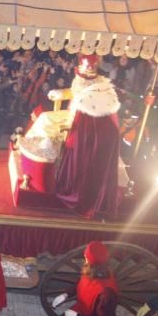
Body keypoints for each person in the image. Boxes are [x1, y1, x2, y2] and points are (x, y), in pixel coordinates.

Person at [53, 54, 121, 218]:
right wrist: (61, 93)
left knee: (81, 158)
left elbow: (87, 104)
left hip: (87, 133)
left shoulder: (99, 90)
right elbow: (75, 93)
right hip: (78, 122)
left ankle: (79, 193)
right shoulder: (80, 81)